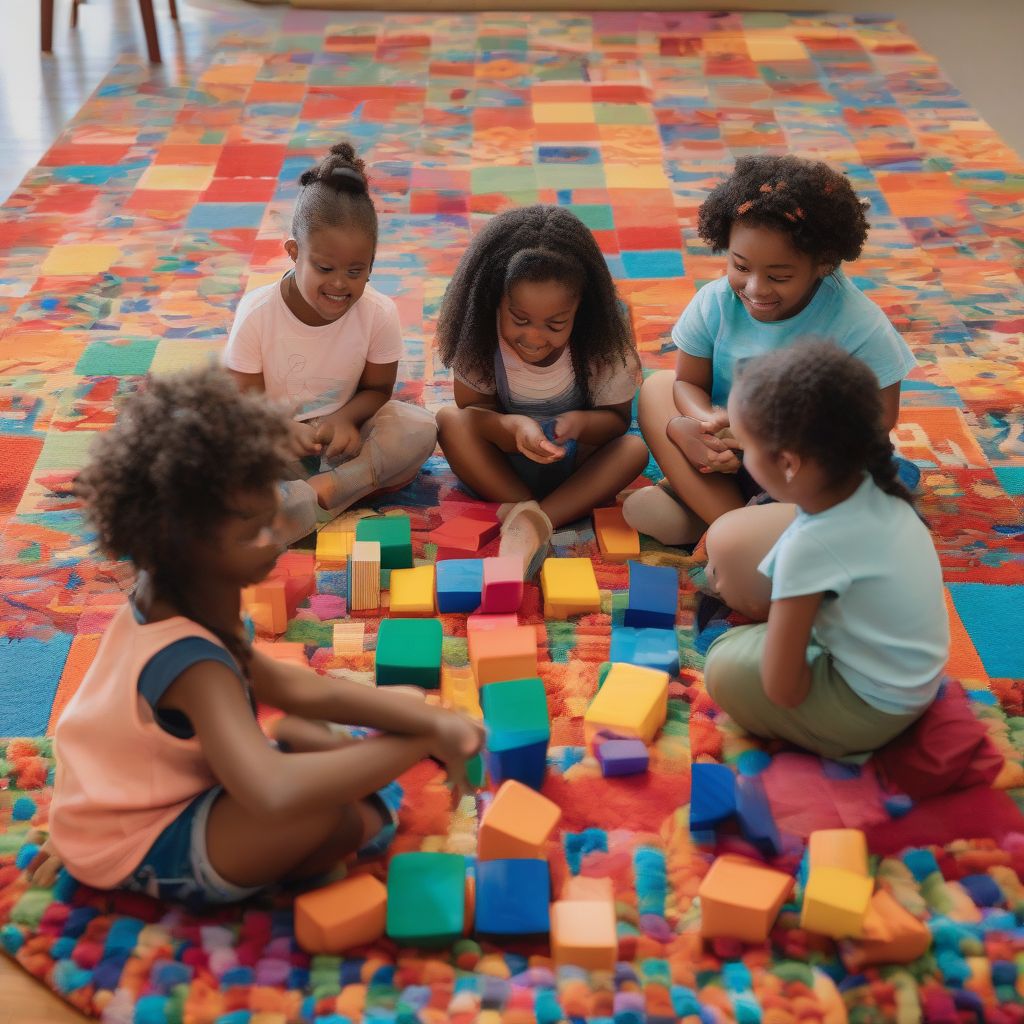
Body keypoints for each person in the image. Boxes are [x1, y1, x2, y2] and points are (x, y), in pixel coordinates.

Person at [46, 367, 483, 906]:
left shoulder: (183, 594)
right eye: (253, 529)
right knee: (338, 820)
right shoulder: (193, 664)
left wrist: (431, 717)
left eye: (271, 511)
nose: (278, 533)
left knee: (315, 752)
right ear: (181, 546)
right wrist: (420, 741)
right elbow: (272, 793)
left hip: (140, 797)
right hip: (140, 836)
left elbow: (297, 689)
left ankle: (342, 803)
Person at [623, 154, 916, 546]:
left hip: (804, 460)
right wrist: (704, 422)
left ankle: (733, 529)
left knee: (868, 479)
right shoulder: (714, 302)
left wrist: (766, 439)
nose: (756, 288)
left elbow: (878, 421)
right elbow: (688, 384)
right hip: (731, 454)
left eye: (779, 276)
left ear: (824, 264)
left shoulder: (858, 323)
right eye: (740, 267)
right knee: (658, 387)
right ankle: (741, 527)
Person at [701, 341, 948, 760]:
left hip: (872, 710)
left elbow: (785, 689)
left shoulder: (808, 546)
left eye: (747, 448)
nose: (743, 458)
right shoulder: (883, 491)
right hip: (915, 681)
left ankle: (836, 741)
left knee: (722, 664)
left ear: (789, 464)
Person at [224, 141, 437, 544]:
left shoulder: (378, 313)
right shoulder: (257, 314)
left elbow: (377, 389)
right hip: (273, 446)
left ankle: (322, 494)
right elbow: (243, 405)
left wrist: (344, 419)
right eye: (324, 268)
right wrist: (281, 430)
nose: (339, 283)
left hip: (342, 444)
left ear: (373, 264)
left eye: (356, 271)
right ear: (293, 252)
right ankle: (328, 495)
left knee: (418, 427)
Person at [434, 204, 649, 576]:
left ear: (581, 309)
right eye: (519, 320)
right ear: (493, 301)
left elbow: (616, 422)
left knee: (633, 449)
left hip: (577, 463)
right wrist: (512, 428)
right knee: (448, 421)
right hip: (503, 463)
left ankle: (536, 518)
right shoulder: (479, 334)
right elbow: (473, 414)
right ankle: (527, 509)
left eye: (555, 323)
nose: (534, 337)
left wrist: (579, 423)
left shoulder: (604, 338)